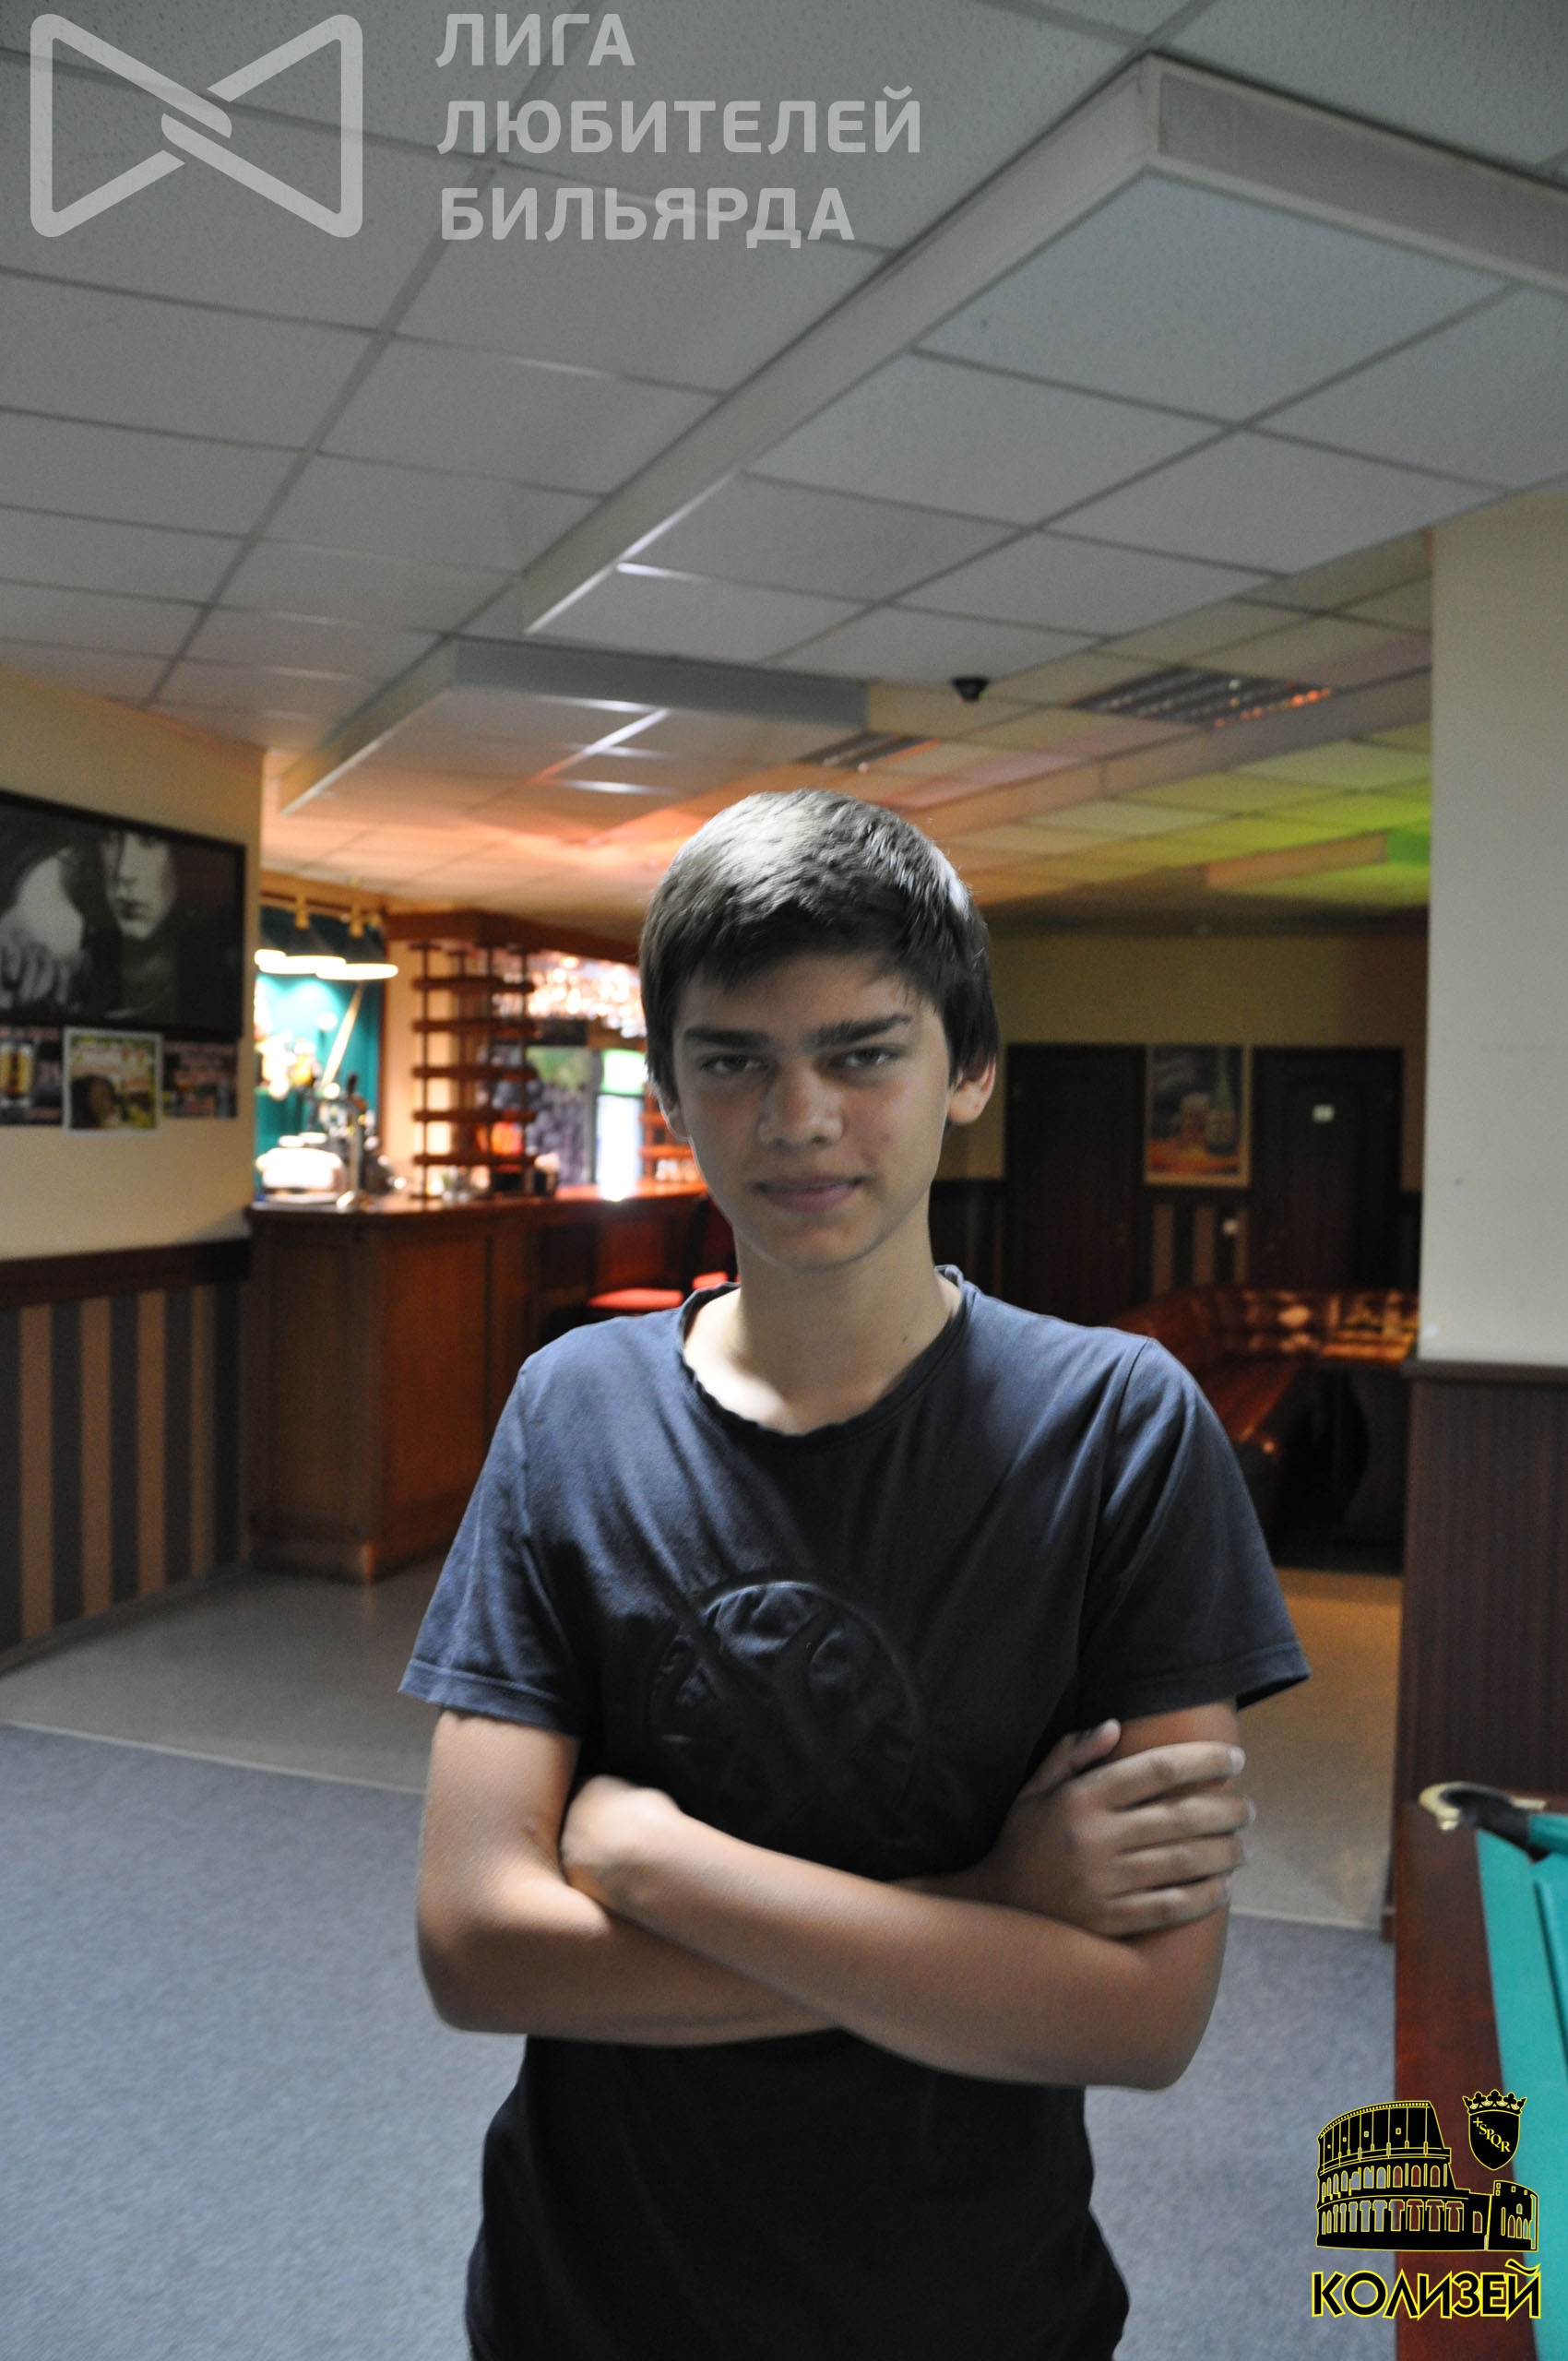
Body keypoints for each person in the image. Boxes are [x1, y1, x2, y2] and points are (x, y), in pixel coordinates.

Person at [401, 789, 1308, 2361]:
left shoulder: (1119, 1431)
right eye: (733, 1060)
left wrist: (653, 1863)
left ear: (970, 1068)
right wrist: (989, 1908)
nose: (799, 1116)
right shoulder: (573, 1410)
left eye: (864, 1054)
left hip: (971, 2310)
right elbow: (477, 1951)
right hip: (589, 2302)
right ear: (671, 1086)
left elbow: (1141, 2014)